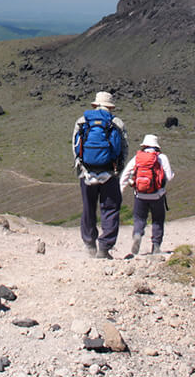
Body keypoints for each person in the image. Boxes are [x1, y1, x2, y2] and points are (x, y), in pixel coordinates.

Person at [72, 91, 128, 259]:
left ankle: (89, 244)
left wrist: (80, 166)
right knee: (110, 208)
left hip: (86, 172)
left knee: (88, 208)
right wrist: (118, 169)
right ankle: (104, 248)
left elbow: (75, 145)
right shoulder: (116, 122)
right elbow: (124, 148)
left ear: (95, 105)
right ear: (110, 107)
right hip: (110, 173)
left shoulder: (82, 121)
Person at [120, 134, 174, 255]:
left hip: (140, 195)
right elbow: (169, 176)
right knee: (157, 220)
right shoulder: (162, 158)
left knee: (139, 219)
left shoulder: (137, 158)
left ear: (144, 145)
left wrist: (121, 190)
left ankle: (137, 234)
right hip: (157, 195)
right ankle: (156, 247)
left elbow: (125, 175)